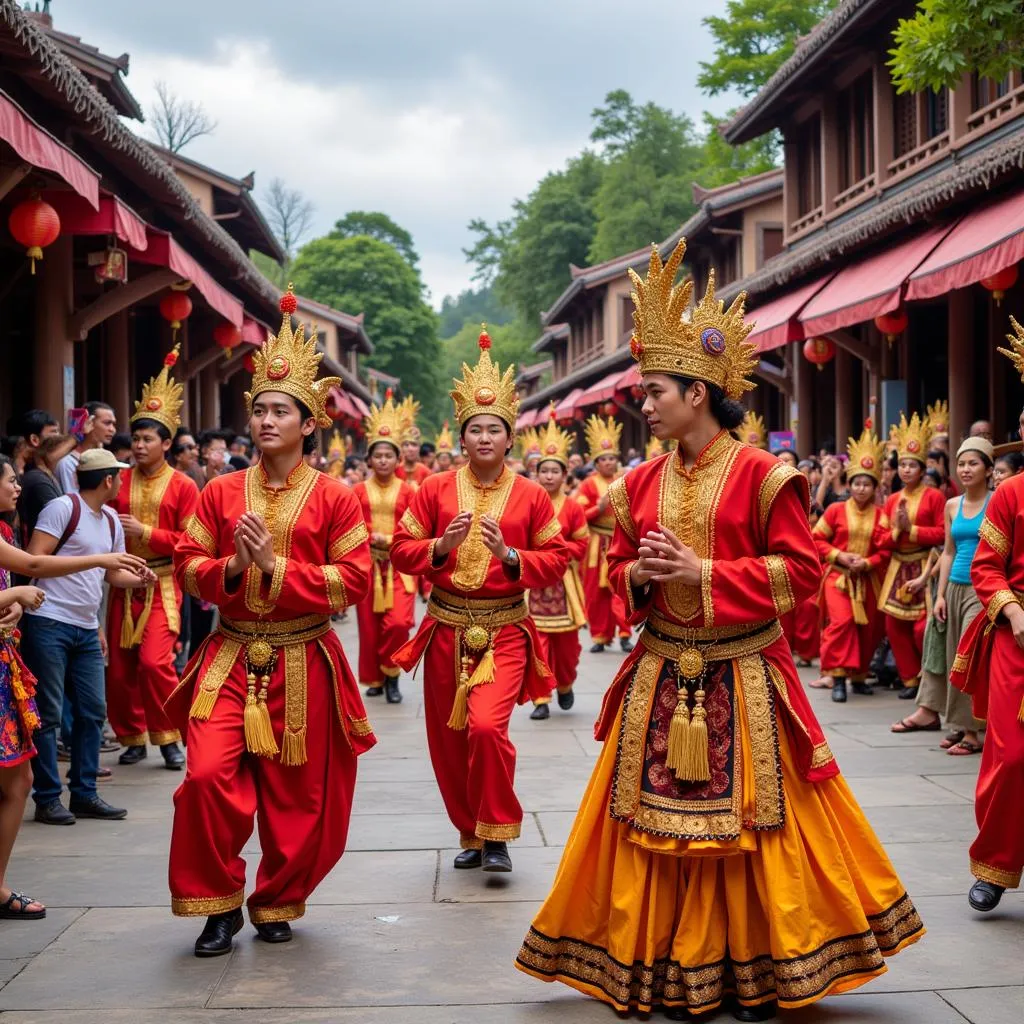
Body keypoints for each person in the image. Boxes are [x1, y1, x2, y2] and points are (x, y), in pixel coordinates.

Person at [516, 242, 923, 1020]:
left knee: (755, 824)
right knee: (651, 824)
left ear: (698, 393)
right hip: (664, 671)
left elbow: (801, 576)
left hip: (744, 672)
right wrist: (640, 576)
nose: (645, 403)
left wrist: (704, 576)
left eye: (655, 390)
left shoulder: (769, 478)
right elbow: (620, 572)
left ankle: (763, 965)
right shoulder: (639, 481)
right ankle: (666, 962)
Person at [168, 288, 375, 957]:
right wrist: (233, 567)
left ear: (309, 422)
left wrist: (278, 570)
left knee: (299, 799)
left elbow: (354, 581)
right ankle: (218, 902)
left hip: (302, 656)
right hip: (230, 655)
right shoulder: (220, 491)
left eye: (280, 410)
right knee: (204, 777)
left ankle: (277, 896)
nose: (265, 419)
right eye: (258, 409)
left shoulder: (338, 497)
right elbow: (187, 561)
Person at [390, 327, 568, 874]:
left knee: (488, 727)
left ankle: (497, 833)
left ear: (510, 438)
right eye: (475, 429)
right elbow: (401, 548)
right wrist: (440, 548)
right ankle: (468, 830)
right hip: (445, 627)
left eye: (494, 429)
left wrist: (513, 557)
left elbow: (558, 557)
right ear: (461, 438)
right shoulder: (434, 490)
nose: (485, 437)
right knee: (448, 738)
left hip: (506, 629)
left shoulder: (533, 495)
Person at [23, 449, 157, 825]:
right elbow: (36, 559)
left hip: (84, 626)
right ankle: (48, 798)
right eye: (119, 476)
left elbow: (113, 575)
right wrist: (100, 562)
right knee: (48, 716)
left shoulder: (111, 518)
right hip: (48, 619)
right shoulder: (63, 508)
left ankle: (84, 793)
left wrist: (139, 579)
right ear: (109, 480)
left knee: (93, 711)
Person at [948, 323, 1024, 912]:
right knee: (1010, 755)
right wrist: (1013, 612)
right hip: (1017, 638)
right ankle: (995, 864)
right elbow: (987, 567)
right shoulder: (1011, 494)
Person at [105, 349, 199, 770]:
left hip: (162, 583)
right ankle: (132, 736)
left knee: (155, 662)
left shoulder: (182, 486)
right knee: (121, 670)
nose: (140, 446)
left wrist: (147, 534)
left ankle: (169, 736)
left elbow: (193, 542)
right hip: (122, 583)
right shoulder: (116, 480)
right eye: (136, 439)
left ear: (167, 444)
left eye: (148, 440)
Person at [892, 439, 992, 752]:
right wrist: (940, 594)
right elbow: (948, 552)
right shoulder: (953, 505)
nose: (965, 469)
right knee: (949, 656)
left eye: (973, 463)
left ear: (989, 470)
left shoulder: (997, 501)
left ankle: (972, 732)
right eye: (961, 464)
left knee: (968, 656)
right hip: (954, 586)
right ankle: (959, 725)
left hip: (983, 587)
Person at [0, 455, 48, 919]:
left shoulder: (4, 532)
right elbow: (34, 564)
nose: (19, 486)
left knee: (19, 779)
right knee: (17, 780)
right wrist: (13, 594)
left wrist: (10, 608)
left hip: (3, 670)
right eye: (11, 480)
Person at [813, 430, 889, 703]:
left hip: (867, 579)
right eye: (856, 483)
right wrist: (839, 556)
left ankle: (858, 677)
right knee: (842, 623)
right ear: (849, 483)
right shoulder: (835, 511)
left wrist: (868, 562)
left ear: (874, 487)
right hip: (839, 577)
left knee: (868, 629)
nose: (861, 488)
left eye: (867, 484)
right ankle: (838, 677)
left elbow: (885, 549)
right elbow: (817, 539)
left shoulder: (881, 515)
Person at [877, 413, 947, 701]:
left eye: (912, 465)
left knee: (922, 627)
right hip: (897, 566)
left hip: (925, 564)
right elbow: (879, 540)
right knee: (894, 627)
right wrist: (897, 531)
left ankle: (926, 679)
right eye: (902, 465)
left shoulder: (934, 498)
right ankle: (908, 679)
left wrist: (912, 529)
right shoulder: (892, 501)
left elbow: (943, 534)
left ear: (922, 468)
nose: (906, 470)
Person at [352, 391, 416, 704]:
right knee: (370, 626)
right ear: (369, 459)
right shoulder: (357, 491)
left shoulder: (408, 491)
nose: (383, 460)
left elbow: (416, 528)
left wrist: (390, 540)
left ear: (398, 459)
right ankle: (375, 678)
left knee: (399, 622)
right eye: (377, 455)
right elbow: (348, 527)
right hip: (367, 565)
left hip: (399, 566)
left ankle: (392, 674)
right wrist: (369, 534)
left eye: (389, 455)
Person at [526, 408, 588, 721]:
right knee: (536, 644)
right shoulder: (528, 502)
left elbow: (582, 543)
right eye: (543, 470)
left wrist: (559, 553)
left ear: (565, 475)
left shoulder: (574, 507)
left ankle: (565, 683)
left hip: (564, 583)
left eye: (555, 471)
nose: (549, 476)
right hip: (536, 584)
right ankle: (540, 697)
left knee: (567, 650)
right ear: (536, 474)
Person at [576, 415, 633, 654]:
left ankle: (625, 633)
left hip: (618, 540)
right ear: (596, 463)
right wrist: (598, 508)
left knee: (621, 588)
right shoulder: (589, 485)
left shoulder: (625, 480)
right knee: (595, 593)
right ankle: (599, 636)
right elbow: (578, 515)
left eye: (612, 458)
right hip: (596, 543)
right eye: (604, 459)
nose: (609, 462)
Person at [56, 401, 117, 495]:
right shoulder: (68, 463)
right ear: (89, 422)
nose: (112, 429)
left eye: (113, 424)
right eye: (107, 423)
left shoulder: (106, 458)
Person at [396, 397, 430, 488]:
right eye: (406, 445)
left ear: (419, 447)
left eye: (414, 445)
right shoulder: (394, 471)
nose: (410, 449)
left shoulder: (426, 472)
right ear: (401, 448)